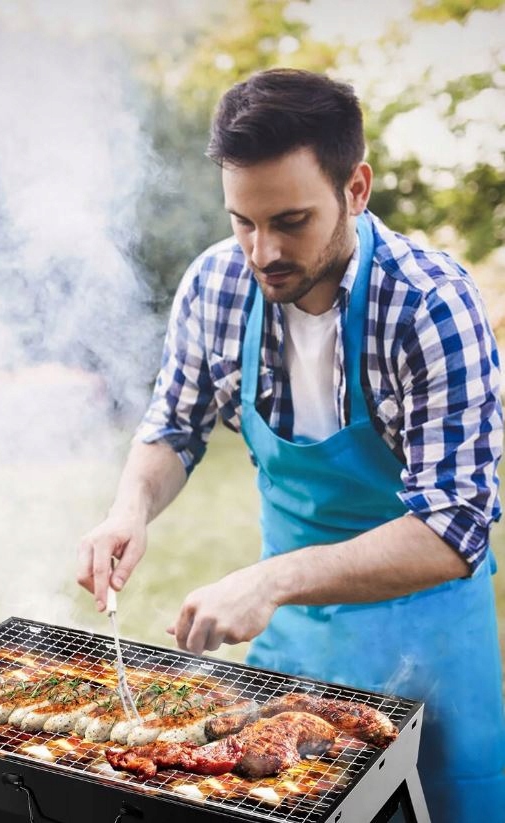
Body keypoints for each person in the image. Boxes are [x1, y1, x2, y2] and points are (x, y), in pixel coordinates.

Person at [76, 69, 505, 822]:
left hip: (429, 643)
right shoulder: (216, 284)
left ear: (356, 188)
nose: (262, 249)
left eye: (291, 220)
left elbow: (453, 527)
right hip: (292, 641)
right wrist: (129, 508)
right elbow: (173, 426)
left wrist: (272, 581)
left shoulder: (431, 306)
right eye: (243, 221)